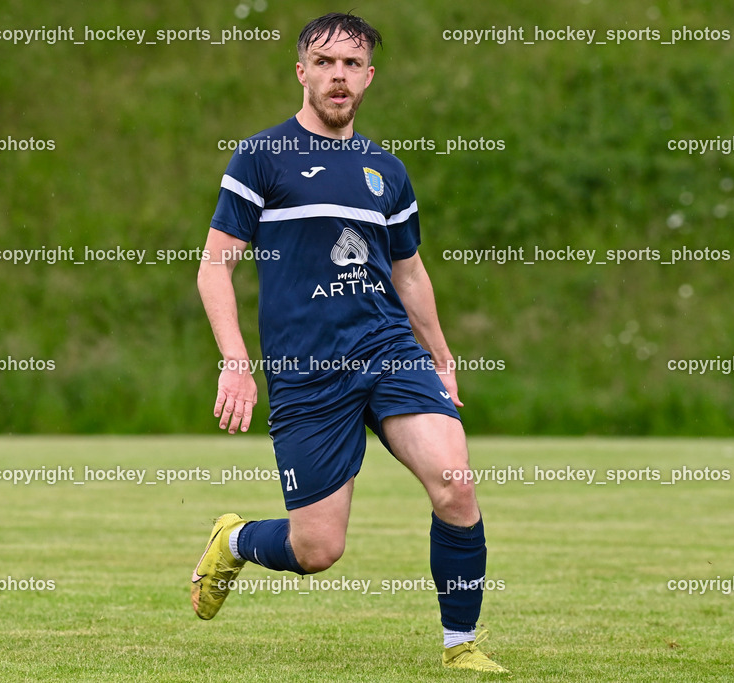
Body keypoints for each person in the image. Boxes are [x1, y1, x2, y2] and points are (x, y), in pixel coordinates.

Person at [192, 12, 507, 673]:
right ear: (302, 72)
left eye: (352, 64)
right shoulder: (262, 156)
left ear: (369, 77)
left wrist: (442, 359)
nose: (339, 75)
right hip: (307, 369)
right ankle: (236, 540)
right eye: (326, 62)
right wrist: (236, 362)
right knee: (317, 550)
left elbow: (409, 272)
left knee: (456, 484)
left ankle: (461, 644)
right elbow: (215, 265)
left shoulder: (385, 170)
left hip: (388, 351)